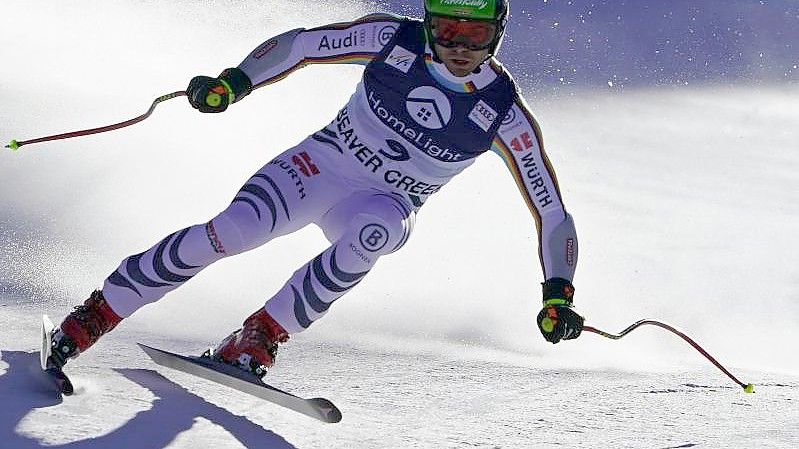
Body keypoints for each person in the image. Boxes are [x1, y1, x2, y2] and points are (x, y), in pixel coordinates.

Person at [48, 0, 584, 379]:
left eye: (474, 34)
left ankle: (260, 335)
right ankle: (98, 312)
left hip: (384, 204)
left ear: (498, 33)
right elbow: (302, 46)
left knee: (377, 233)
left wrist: (558, 291)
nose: (459, 46)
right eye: (447, 29)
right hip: (323, 164)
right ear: (428, 21)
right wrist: (234, 82)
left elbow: (551, 211)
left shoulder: (505, 115)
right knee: (234, 231)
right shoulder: (390, 38)